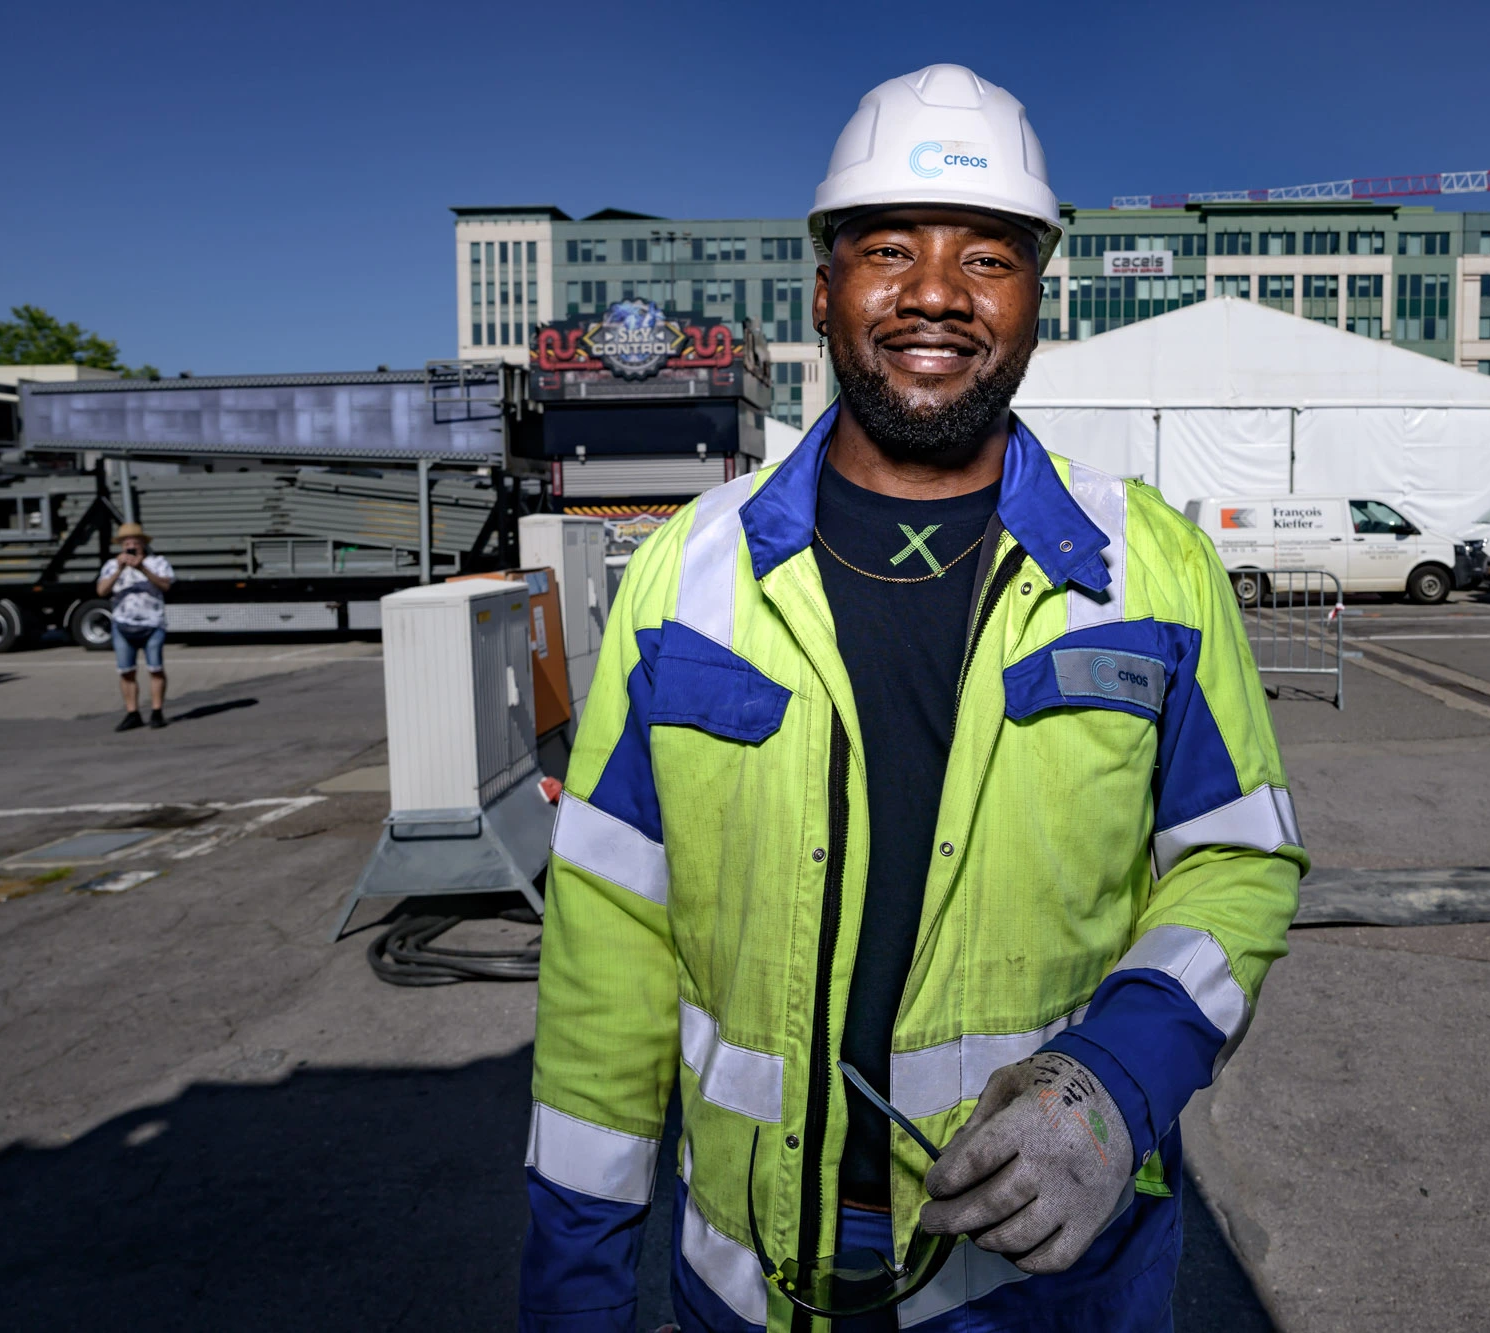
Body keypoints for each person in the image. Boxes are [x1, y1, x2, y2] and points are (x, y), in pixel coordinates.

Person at [521, 64, 1305, 1333]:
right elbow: (606, 945)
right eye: (889, 248)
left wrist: (1113, 1082)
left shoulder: (1144, 566)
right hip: (749, 1280)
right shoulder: (689, 574)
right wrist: (572, 1292)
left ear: (1034, 297)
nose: (934, 291)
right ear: (824, 289)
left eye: (985, 256)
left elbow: (1238, 864)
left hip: (1054, 1285)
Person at [96, 521, 174, 731]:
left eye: (134, 541)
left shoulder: (157, 562)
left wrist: (142, 568)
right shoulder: (112, 565)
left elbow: (166, 585)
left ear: (142, 543)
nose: (130, 545)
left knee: (155, 669)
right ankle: (133, 713)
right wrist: (119, 570)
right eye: (125, 542)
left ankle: (157, 712)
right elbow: (101, 591)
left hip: (152, 623)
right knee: (126, 671)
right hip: (123, 624)